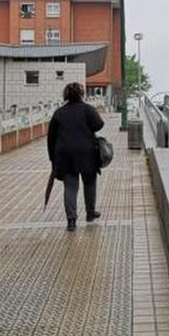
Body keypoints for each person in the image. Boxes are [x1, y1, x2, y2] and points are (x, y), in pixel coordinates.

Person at [47, 82, 105, 231]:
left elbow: (51, 138)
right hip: (87, 154)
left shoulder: (59, 113)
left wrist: (53, 159)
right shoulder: (87, 110)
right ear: (81, 94)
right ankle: (90, 213)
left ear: (66, 95)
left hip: (65, 156)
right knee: (89, 183)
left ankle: (71, 220)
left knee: (70, 187)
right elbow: (99, 124)